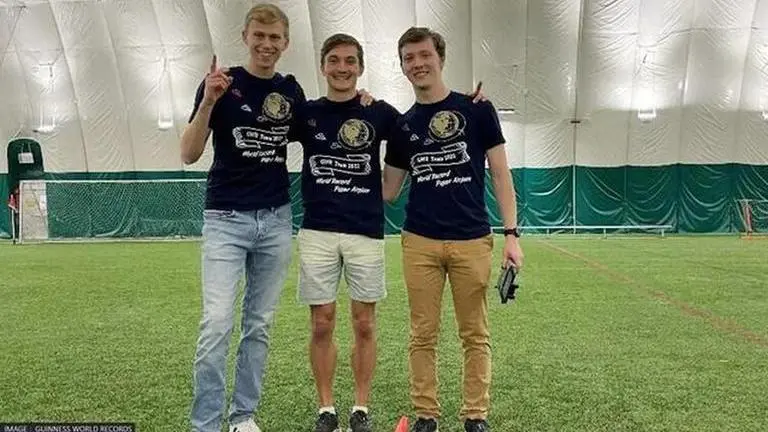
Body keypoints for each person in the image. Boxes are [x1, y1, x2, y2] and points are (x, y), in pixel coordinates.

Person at [382, 27, 525, 432]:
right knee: (422, 334)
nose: (417, 64)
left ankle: (475, 415)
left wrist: (512, 235)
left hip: (472, 239)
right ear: (402, 66)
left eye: (424, 55)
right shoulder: (403, 126)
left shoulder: (477, 109)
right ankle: (426, 414)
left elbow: (500, 174)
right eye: (409, 58)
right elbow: (389, 191)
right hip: (419, 241)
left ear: (440, 58)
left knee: (474, 334)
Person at [180, 4, 303, 432]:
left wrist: (362, 102)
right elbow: (189, 152)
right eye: (259, 36)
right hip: (225, 219)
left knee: (259, 325)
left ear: (285, 43)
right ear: (245, 37)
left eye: (275, 37)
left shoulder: (290, 91)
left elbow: (324, 125)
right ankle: (206, 424)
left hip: (275, 221)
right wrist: (208, 102)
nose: (267, 44)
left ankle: (243, 417)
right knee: (216, 324)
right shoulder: (220, 83)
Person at [291, 33, 398, 432]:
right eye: (334, 60)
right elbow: (263, 126)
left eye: (350, 61)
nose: (342, 68)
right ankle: (326, 408)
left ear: (360, 67)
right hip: (317, 231)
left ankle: (360, 408)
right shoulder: (307, 113)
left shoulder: (378, 112)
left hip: (365, 231)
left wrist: (466, 105)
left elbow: (419, 129)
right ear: (323, 66)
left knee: (364, 323)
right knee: (322, 322)